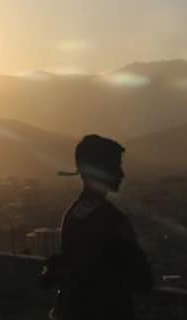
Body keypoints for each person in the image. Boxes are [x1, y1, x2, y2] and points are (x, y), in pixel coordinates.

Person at [41, 135, 153, 320]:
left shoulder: (73, 214)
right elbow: (142, 280)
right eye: (115, 166)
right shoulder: (111, 219)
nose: (121, 174)